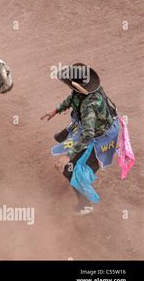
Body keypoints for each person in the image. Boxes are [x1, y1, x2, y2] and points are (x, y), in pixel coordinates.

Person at [41, 63, 118, 215]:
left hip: (100, 138)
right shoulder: (84, 92)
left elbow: (88, 135)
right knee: (62, 139)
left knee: (70, 170)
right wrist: (55, 111)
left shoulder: (89, 106)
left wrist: (68, 156)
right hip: (88, 127)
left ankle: (85, 204)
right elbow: (72, 98)